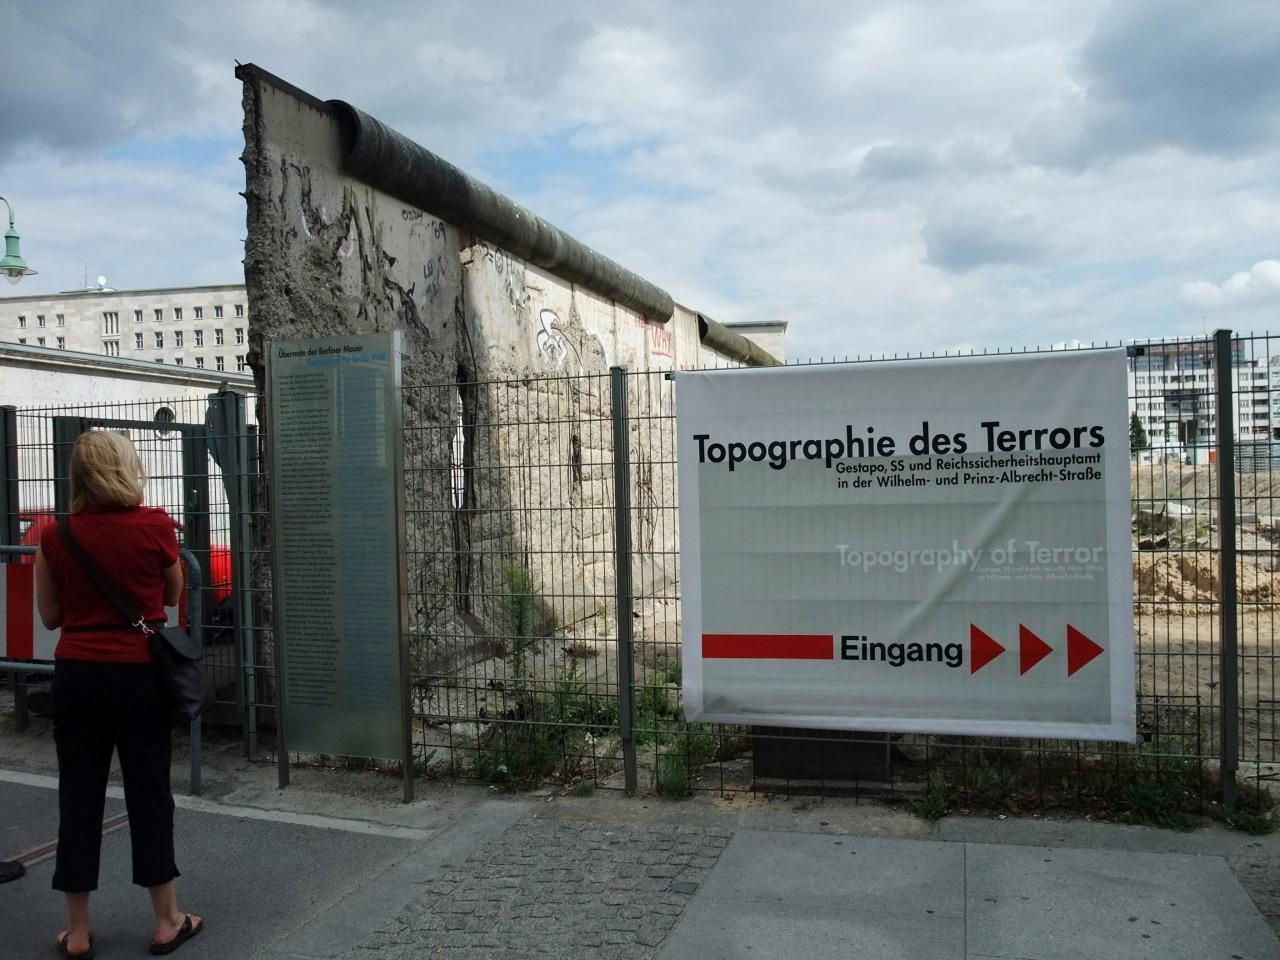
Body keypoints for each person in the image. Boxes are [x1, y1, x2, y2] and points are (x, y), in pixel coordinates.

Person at [35, 431, 203, 958]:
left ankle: (78, 931)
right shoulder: (154, 525)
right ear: (127, 469)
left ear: (78, 476)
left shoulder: (57, 534)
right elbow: (172, 593)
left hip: (77, 675)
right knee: (148, 791)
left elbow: (50, 616)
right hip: (138, 675)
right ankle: (166, 921)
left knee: (78, 794)